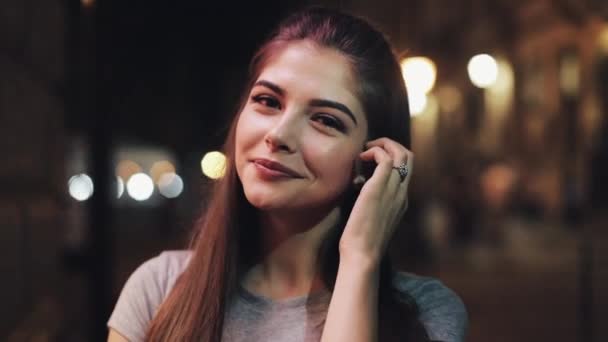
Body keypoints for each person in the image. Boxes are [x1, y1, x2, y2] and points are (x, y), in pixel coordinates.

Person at [107, 7, 467, 342]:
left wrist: (359, 259)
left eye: (325, 120)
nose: (278, 135)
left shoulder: (426, 314)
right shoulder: (160, 290)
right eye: (267, 101)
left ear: (374, 159)